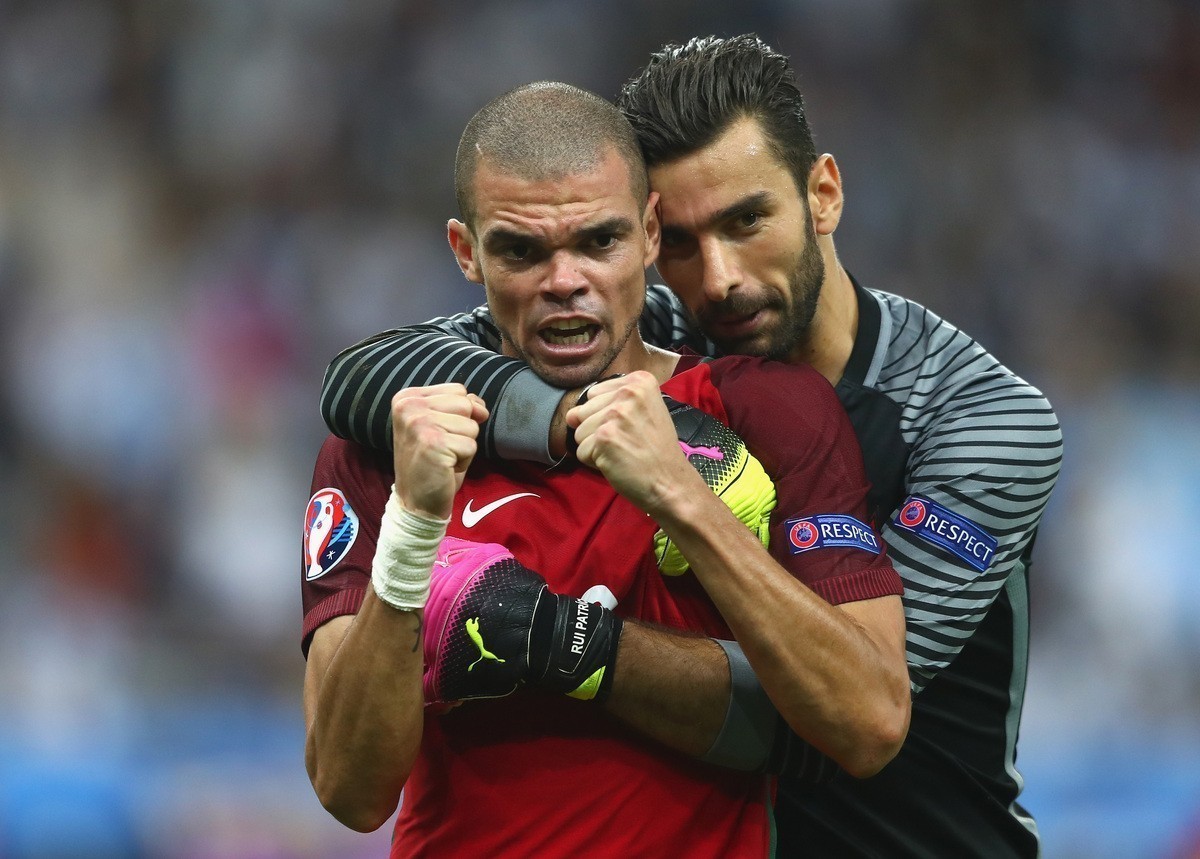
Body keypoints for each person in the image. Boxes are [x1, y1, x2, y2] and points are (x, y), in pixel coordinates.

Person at [318, 35, 1065, 857]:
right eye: (682, 240)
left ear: (823, 194)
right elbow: (365, 375)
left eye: (748, 221)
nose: (720, 279)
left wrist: (560, 636)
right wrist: (567, 419)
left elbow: (834, 726)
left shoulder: (982, 421)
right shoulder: (657, 327)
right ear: (651, 237)